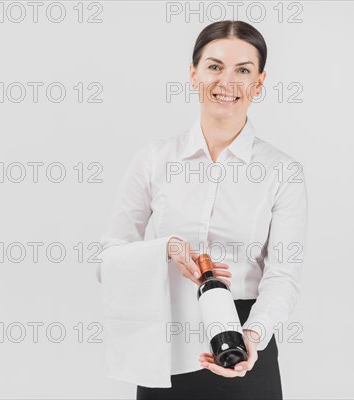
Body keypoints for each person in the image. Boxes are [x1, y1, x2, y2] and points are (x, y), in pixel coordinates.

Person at [98, 20, 308, 400]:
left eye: (243, 70)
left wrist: (254, 335)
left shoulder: (283, 171)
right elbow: (108, 258)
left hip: (244, 340)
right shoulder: (152, 159)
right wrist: (166, 249)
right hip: (166, 338)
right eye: (214, 66)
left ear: (259, 82)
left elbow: (283, 275)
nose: (226, 82)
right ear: (193, 73)